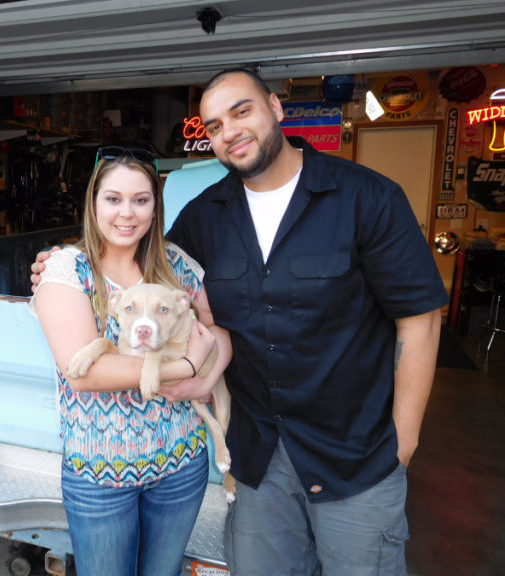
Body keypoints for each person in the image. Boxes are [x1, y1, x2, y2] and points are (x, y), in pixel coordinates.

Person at [32, 69, 448, 576]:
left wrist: (402, 446)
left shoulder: (368, 198)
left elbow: (420, 323)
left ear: (275, 107)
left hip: (354, 458)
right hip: (258, 463)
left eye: (241, 111)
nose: (229, 131)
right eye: (213, 125)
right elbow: (154, 271)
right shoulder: (204, 218)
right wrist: (59, 260)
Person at [30, 146, 232, 576]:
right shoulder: (68, 270)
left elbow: (217, 329)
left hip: (180, 463)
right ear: (94, 203)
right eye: (113, 199)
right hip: (100, 472)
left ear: (155, 207)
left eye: (141, 200)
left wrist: (207, 372)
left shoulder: (177, 266)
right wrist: (187, 369)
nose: (127, 213)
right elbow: (84, 375)